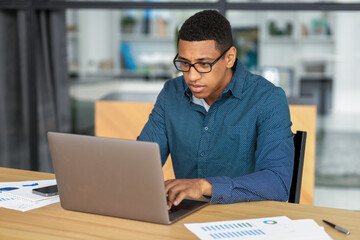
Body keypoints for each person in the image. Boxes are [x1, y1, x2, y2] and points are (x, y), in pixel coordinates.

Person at [138, 10, 294, 209]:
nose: (192, 76)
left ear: (229, 58)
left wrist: (205, 186)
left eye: (203, 64)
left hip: (245, 221)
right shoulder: (171, 93)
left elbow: (277, 183)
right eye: (184, 63)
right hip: (185, 218)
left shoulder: (267, 99)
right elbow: (142, 162)